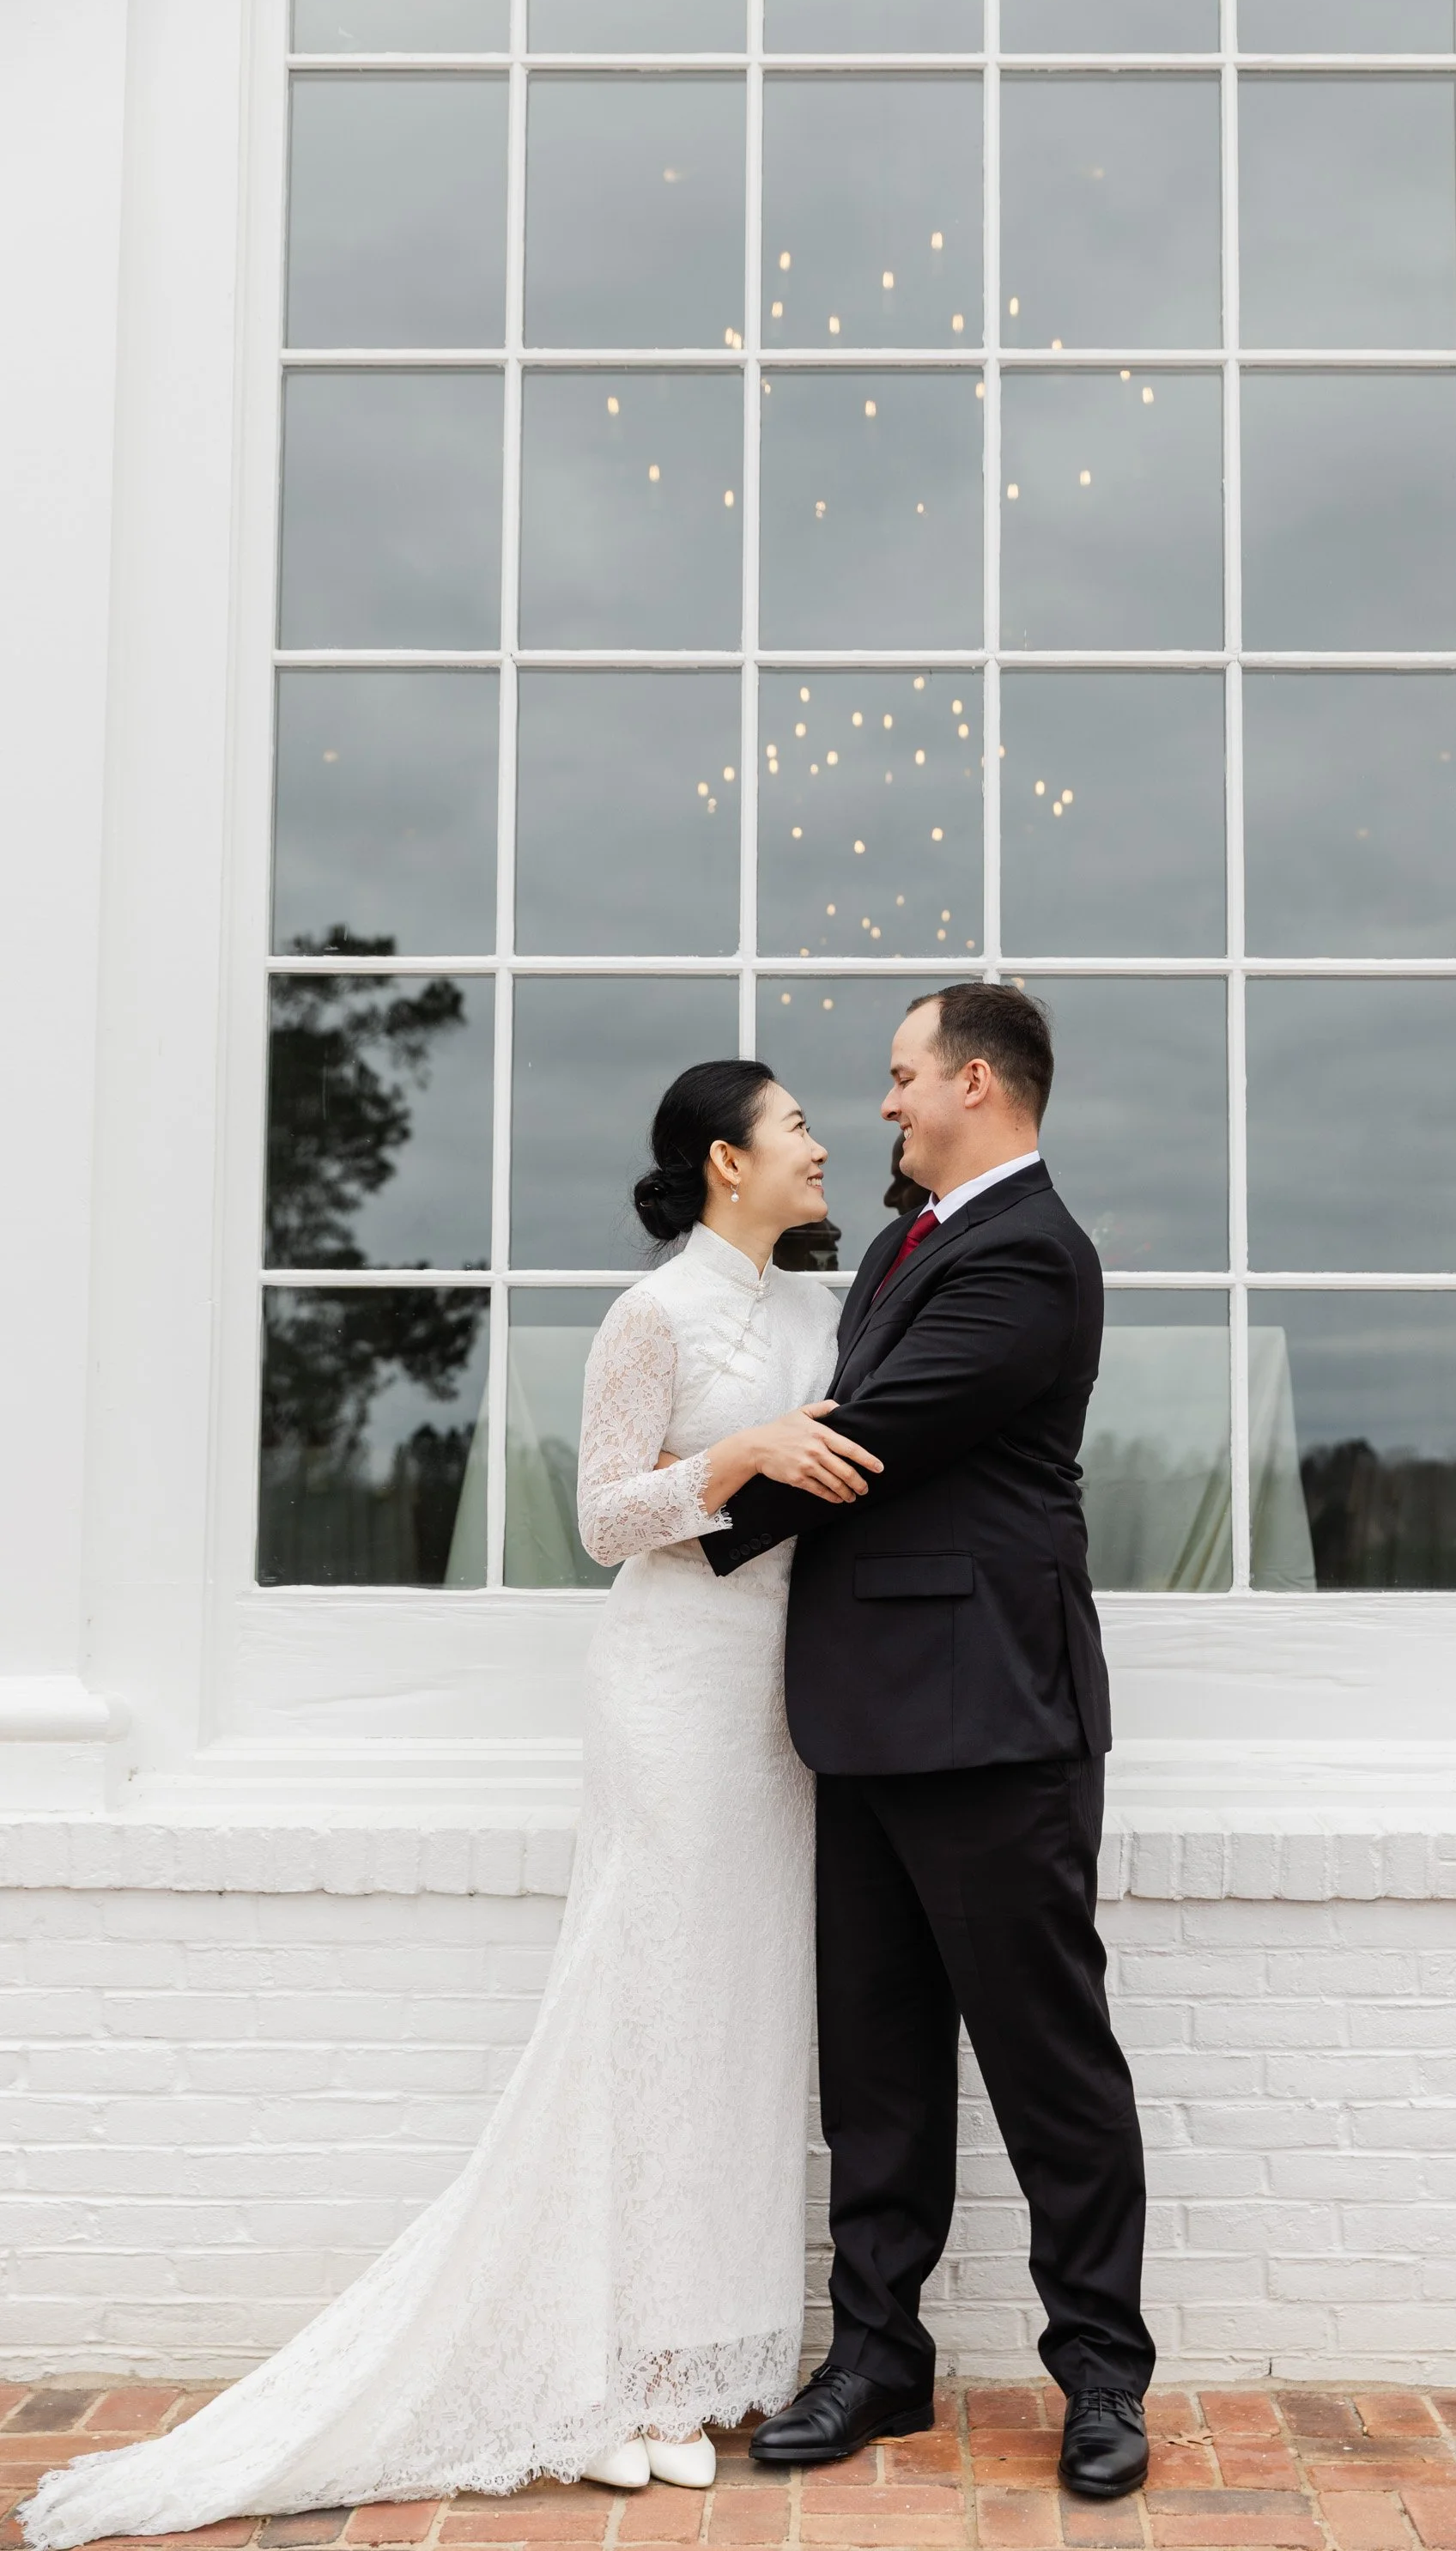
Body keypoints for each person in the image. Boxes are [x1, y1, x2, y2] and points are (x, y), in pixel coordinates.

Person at [21, 1062, 878, 2549]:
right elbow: (605, 1519)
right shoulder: (650, 1317)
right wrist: (737, 1453)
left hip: (779, 1706)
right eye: (796, 1125)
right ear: (725, 1162)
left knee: (739, 2019)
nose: (824, 1144)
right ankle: (603, 2372)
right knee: (646, 2016)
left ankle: (686, 2365)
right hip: (672, 1695)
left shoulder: (829, 1309)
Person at [704, 984, 1156, 2503]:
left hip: (993, 1717)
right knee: (878, 2067)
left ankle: (1101, 2374)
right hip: (863, 1712)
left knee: (1048, 2061)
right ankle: (879, 2358)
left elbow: (876, 1428)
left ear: (977, 1080)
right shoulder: (904, 1238)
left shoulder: (1030, 1252)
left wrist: (690, 1502)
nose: (882, 1105)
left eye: (900, 1078)